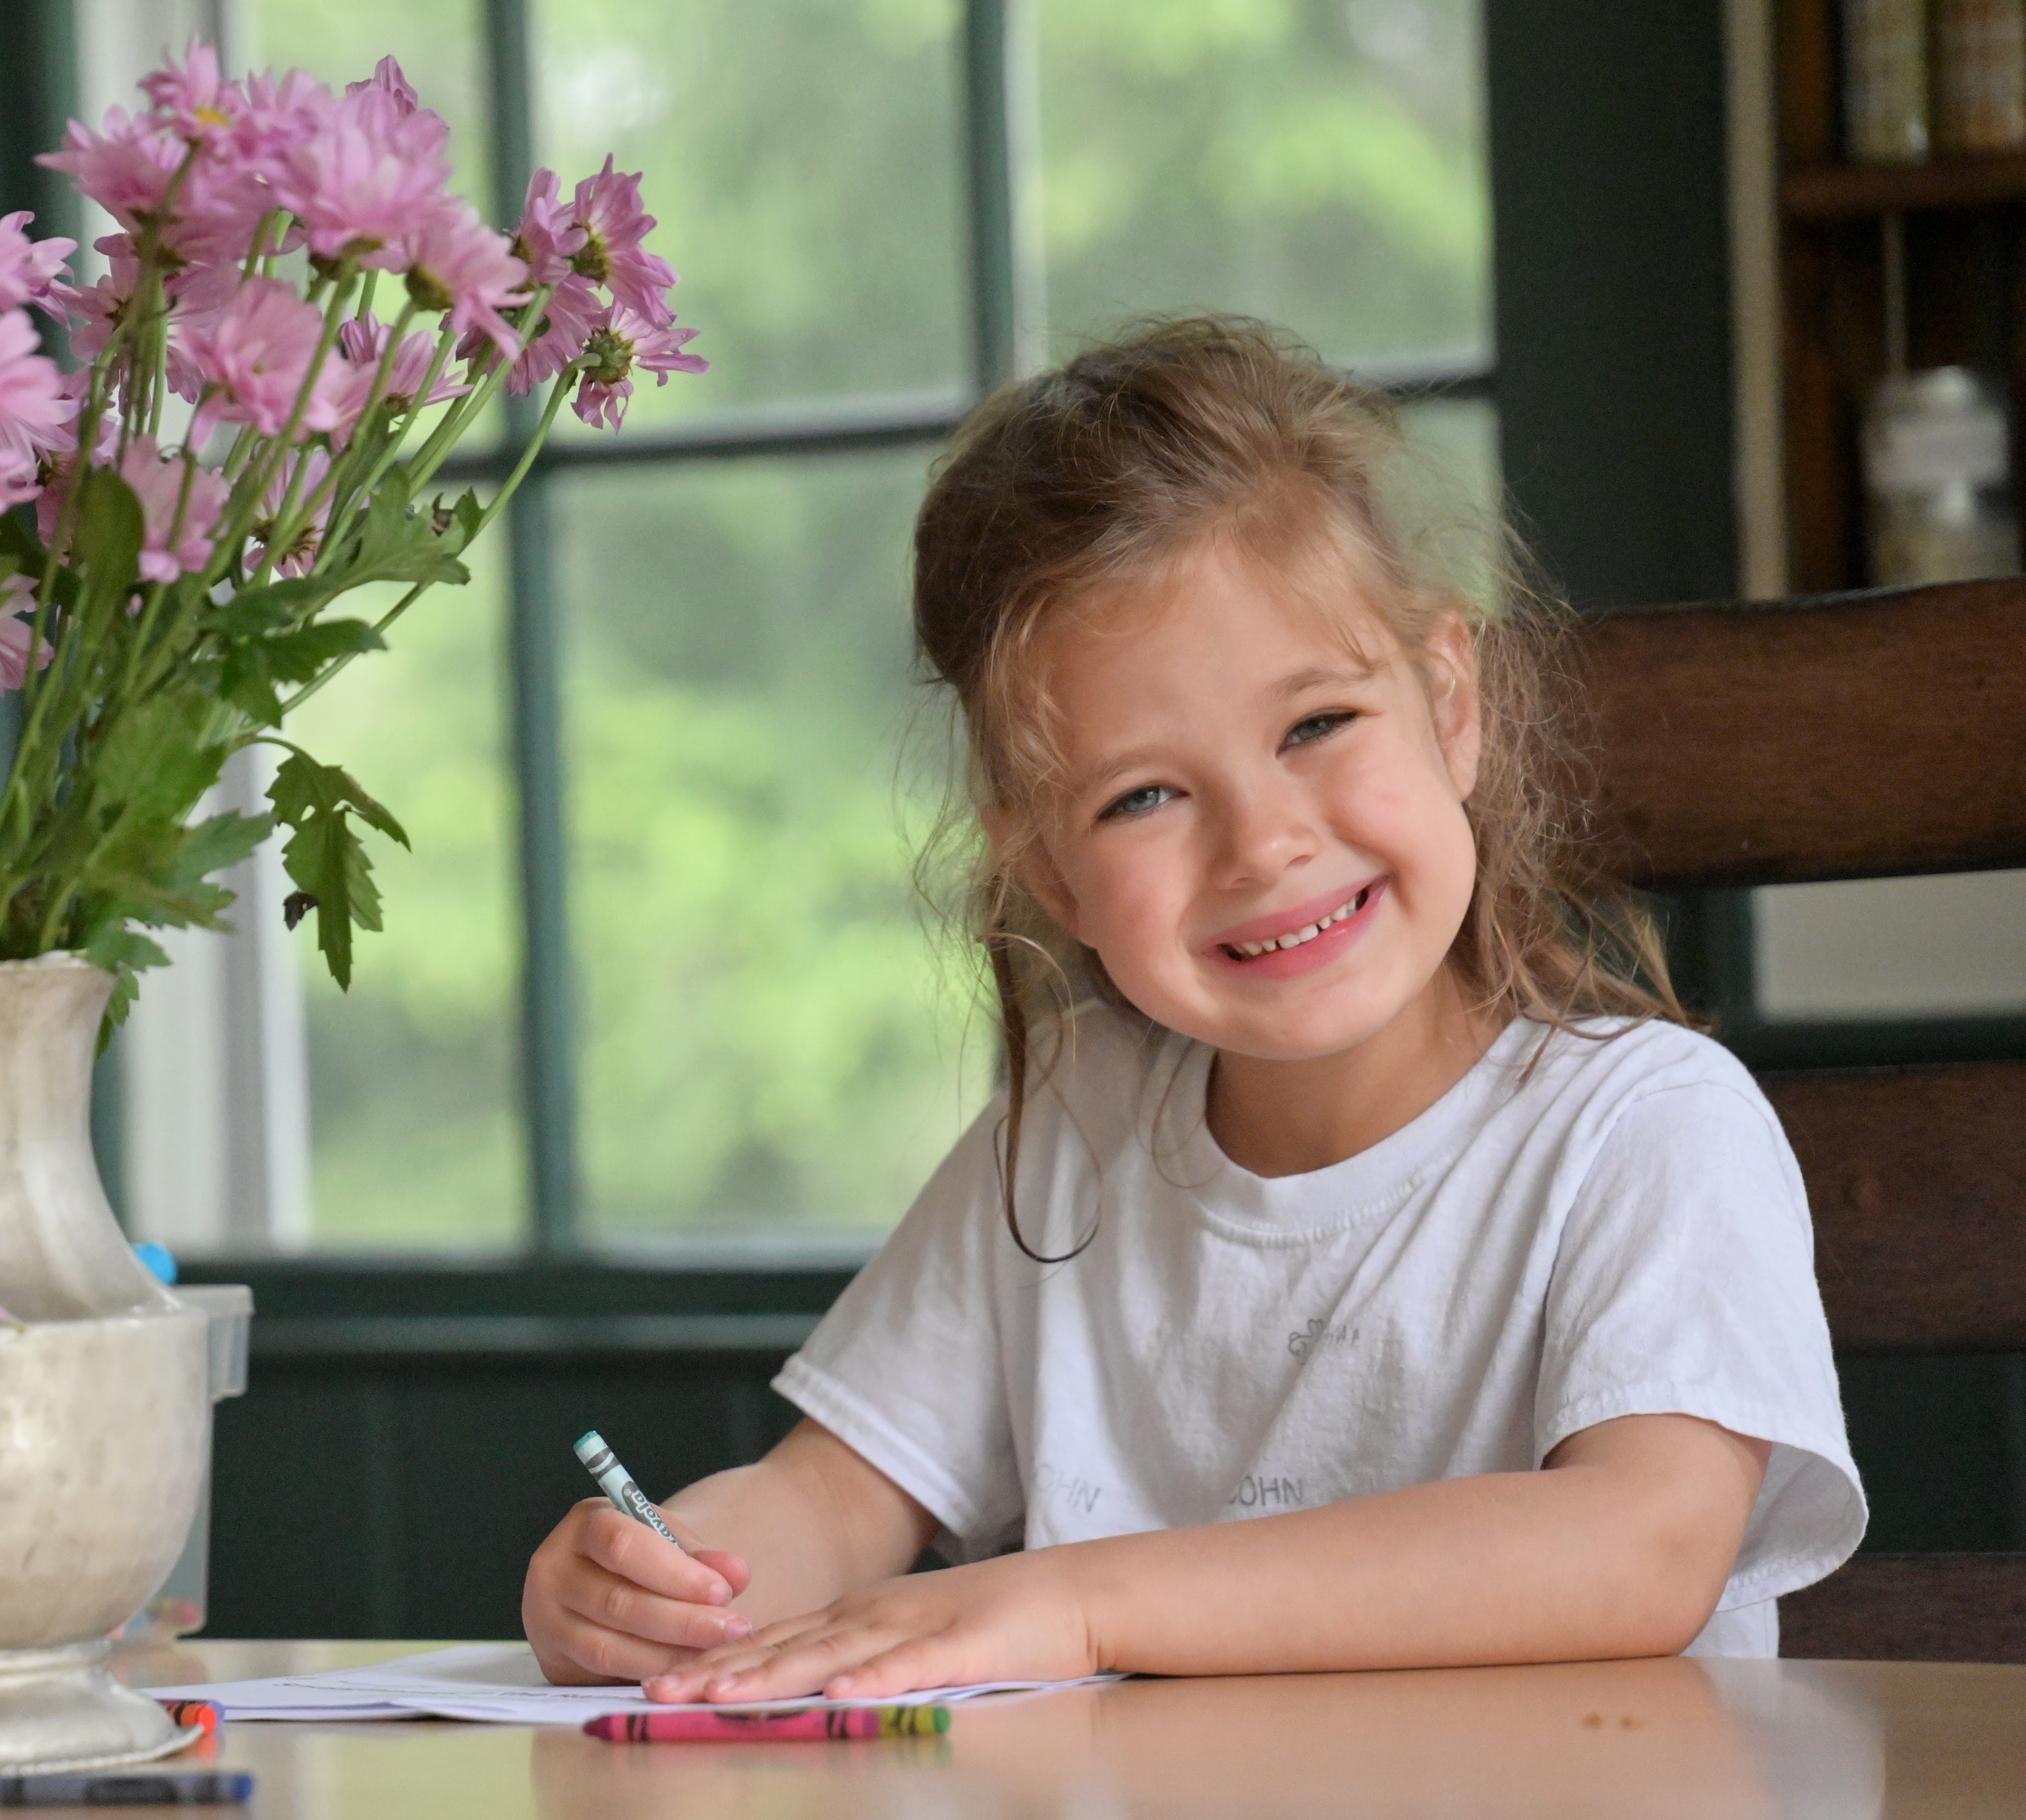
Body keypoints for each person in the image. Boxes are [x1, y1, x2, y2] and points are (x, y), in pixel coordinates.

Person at [522, 317, 1864, 1701]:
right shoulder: (1071, 1132)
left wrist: (1088, 1604)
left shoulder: (1649, 1134)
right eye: (1143, 797)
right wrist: (664, 1580)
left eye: (1317, 726)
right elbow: (830, 1502)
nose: (1264, 843)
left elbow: (1636, 1550)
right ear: (1051, 870)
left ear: (1449, 703)